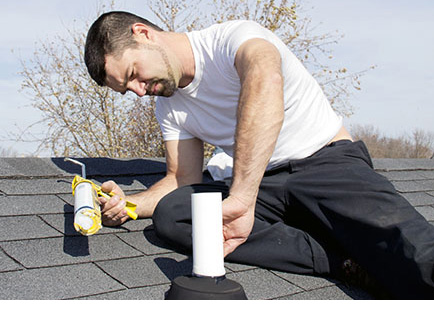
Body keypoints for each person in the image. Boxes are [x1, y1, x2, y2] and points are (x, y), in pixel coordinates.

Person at [84, 11, 434, 299]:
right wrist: (128, 205)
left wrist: (242, 198)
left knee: (419, 260)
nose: (139, 91)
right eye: (126, 89)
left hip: (327, 165)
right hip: (263, 185)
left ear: (143, 33)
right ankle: (340, 260)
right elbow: (180, 178)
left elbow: (265, 82)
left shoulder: (234, 39)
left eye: (133, 75)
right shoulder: (169, 107)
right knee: (174, 214)